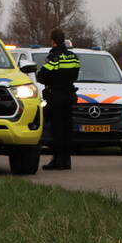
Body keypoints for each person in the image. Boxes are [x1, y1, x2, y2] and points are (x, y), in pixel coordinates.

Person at [36, 28, 80, 170]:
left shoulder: (54, 57)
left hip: (55, 97)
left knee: (56, 130)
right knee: (67, 129)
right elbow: (75, 75)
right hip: (69, 96)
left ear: (53, 40)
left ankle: (57, 161)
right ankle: (66, 161)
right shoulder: (73, 57)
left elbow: (42, 76)